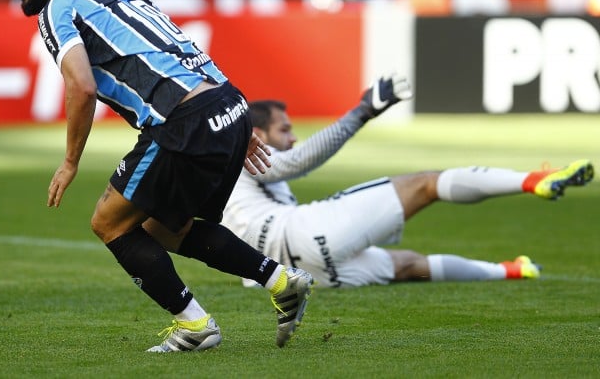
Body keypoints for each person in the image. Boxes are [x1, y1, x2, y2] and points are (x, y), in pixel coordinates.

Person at [4, 0, 314, 353]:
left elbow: (81, 86)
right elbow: (181, 45)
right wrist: (237, 119)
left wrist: (71, 160)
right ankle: (282, 280)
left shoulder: (57, 9)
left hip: (181, 119)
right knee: (166, 228)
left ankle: (196, 325)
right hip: (227, 103)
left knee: (109, 222)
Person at [221, 74, 594, 288]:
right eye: (285, 130)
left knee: (408, 266)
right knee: (426, 184)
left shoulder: (220, 164)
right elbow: (299, 161)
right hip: (298, 235)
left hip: (288, 272)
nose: (293, 137)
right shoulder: (243, 148)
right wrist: (362, 112)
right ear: (258, 133)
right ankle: (535, 180)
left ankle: (512, 269)